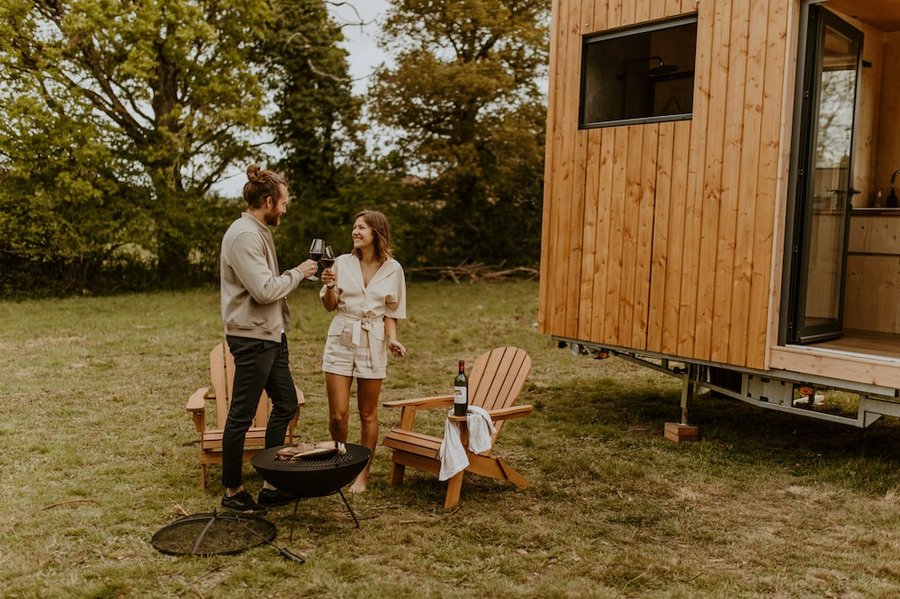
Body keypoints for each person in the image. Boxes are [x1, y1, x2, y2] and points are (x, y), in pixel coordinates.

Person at [218, 164, 319, 512]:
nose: (285, 209)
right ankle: (232, 492)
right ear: (267, 201)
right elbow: (263, 290)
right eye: (283, 203)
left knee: (286, 404)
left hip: (271, 335)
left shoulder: (258, 230)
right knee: (241, 417)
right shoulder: (244, 236)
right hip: (253, 338)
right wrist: (300, 272)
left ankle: (273, 483)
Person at [320, 210, 407, 493]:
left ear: (376, 234)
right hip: (341, 337)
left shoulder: (393, 269)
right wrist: (330, 287)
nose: (356, 232)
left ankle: (362, 474)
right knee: (338, 415)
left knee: (367, 413)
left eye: (362, 228)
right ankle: (340, 462)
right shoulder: (341, 263)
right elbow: (330, 305)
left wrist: (392, 338)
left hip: (373, 340)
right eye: (355, 227)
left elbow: (392, 311)